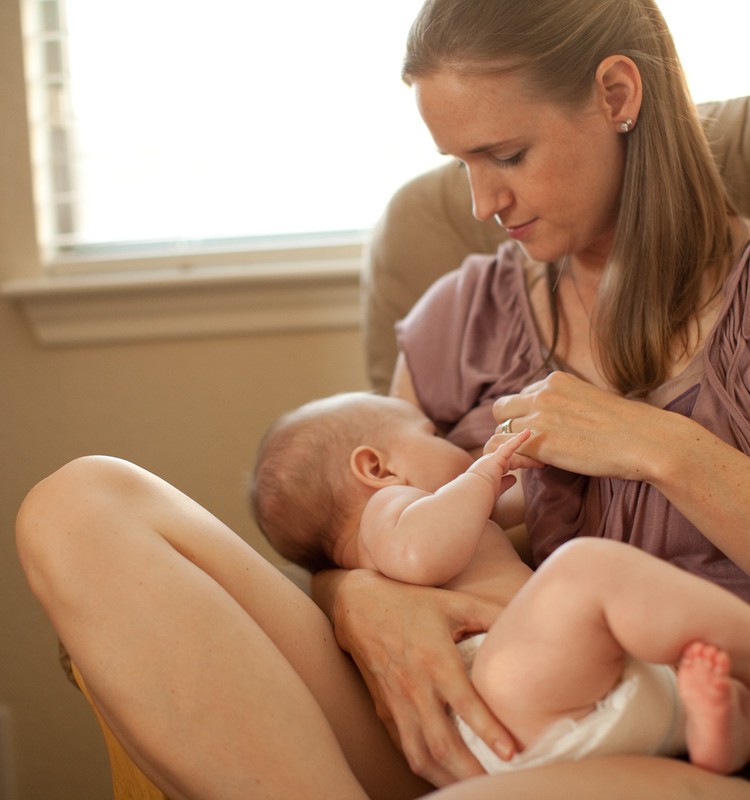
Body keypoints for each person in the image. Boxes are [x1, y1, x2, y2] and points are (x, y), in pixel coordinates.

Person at [14, 0, 750, 797]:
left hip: (676, 737)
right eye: (461, 162)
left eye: (506, 153)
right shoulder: (458, 320)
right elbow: (359, 514)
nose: (481, 203)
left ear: (616, 95)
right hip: (458, 720)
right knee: (79, 505)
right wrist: (358, 597)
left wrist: (661, 447)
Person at [251, 390, 750, 774]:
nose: (456, 448)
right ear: (377, 468)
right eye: (434, 436)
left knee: (701, 681)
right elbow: (420, 554)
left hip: (551, 702)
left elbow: (511, 508)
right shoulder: (388, 514)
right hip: (496, 696)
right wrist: (484, 473)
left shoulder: (433, 517)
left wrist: (526, 467)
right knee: (585, 569)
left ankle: (717, 731)